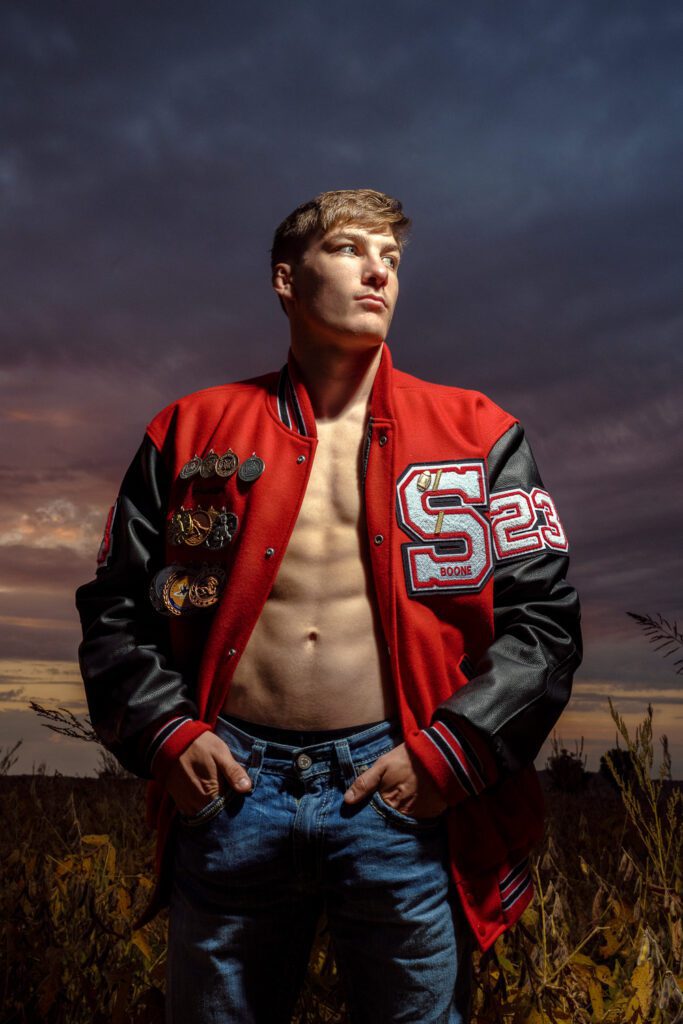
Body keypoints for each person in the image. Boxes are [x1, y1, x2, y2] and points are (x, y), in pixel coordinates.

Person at [76, 188, 582, 1024]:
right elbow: (118, 606)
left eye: (391, 256)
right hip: (231, 785)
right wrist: (168, 737)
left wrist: (447, 756)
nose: (377, 268)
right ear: (285, 277)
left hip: (403, 788)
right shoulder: (190, 427)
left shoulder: (480, 430)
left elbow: (544, 625)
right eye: (350, 248)